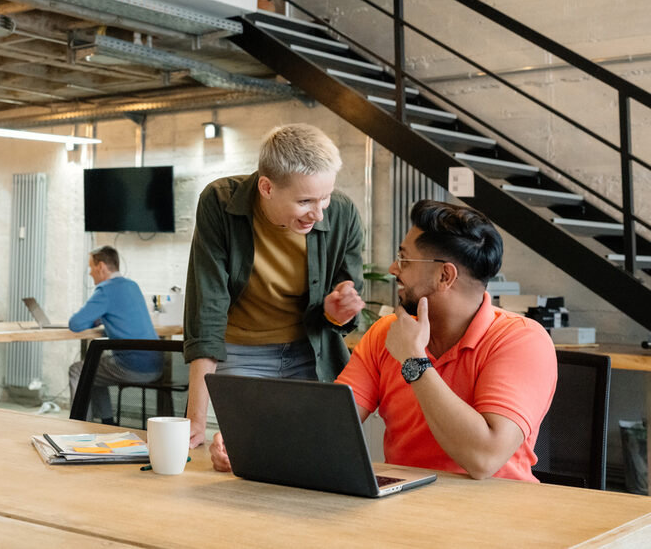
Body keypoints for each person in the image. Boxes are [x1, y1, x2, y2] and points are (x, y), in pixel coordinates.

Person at [210, 200, 558, 481]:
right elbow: (329, 426)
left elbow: (484, 460)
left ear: (444, 275)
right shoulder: (385, 333)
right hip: (407, 507)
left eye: (404, 259)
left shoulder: (522, 340)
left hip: (499, 516)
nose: (393, 269)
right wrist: (254, 446)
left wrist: (414, 361)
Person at [184, 123, 366, 447]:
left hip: (310, 351)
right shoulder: (219, 202)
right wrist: (195, 420)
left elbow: (345, 299)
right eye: (305, 201)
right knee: (245, 454)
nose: (319, 214)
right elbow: (207, 305)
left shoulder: (342, 213)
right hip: (241, 353)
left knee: (316, 454)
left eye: (324, 198)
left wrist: (337, 311)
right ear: (267, 187)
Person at [68, 246, 162, 425]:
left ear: (101, 266)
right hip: (157, 365)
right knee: (93, 367)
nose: (90, 273)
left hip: (132, 368)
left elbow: (75, 324)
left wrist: (95, 318)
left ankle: (77, 425)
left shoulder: (105, 290)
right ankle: (107, 422)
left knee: (79, 370)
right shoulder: (132, 286)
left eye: (91, 268)